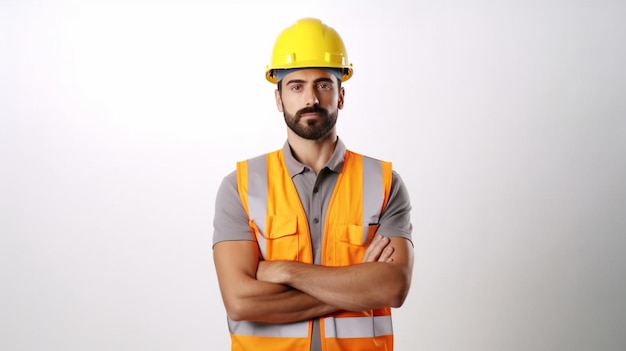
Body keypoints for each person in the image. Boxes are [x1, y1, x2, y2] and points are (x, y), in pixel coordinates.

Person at [212, 17, 414, 351]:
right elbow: (240, 301)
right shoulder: (241, 187)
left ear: (341, 95)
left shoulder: (384, 183)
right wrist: (358, 284)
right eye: (296, 86)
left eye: (323, 84)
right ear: (278, 99)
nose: (311, 98)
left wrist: (286, 272)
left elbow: (392, 288)